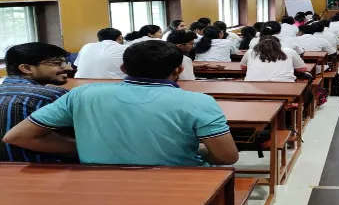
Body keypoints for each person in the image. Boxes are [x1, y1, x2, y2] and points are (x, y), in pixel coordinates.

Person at [3, 41, 239, 166]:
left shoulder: (82, 94)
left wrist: (83, 147)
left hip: (98, 183)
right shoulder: (199, 102)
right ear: (178, 70)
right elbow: (227, 157)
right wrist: (201, 154)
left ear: (123, 69)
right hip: (178, 179)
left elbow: (17, 136)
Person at [0, 43, 71, 162]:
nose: (69, 68)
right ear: (26, 68)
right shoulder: (53, 96)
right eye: (58, 64)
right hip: (48, 172)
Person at [240, 36, 309, 82]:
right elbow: (302, 69)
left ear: (259, 44)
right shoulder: (289, 51)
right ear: (279, 44)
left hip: (252, 85)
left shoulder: (251, 52)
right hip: (284, 86)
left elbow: (243, 67)